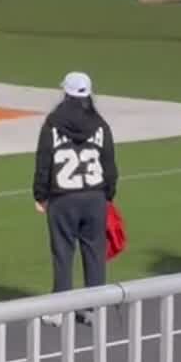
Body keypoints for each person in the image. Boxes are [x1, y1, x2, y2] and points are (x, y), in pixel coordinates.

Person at [32, 71, 117, 324]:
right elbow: (110, 164)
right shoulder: (100, 125)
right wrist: (108, 195)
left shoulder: (52, 123)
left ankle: (59, 309)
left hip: (63, 199)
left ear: (65, 93)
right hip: (94, 197)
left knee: (62, 253)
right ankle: (95, 309)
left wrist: (40, 195)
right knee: (94, 253)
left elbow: (43, 162)